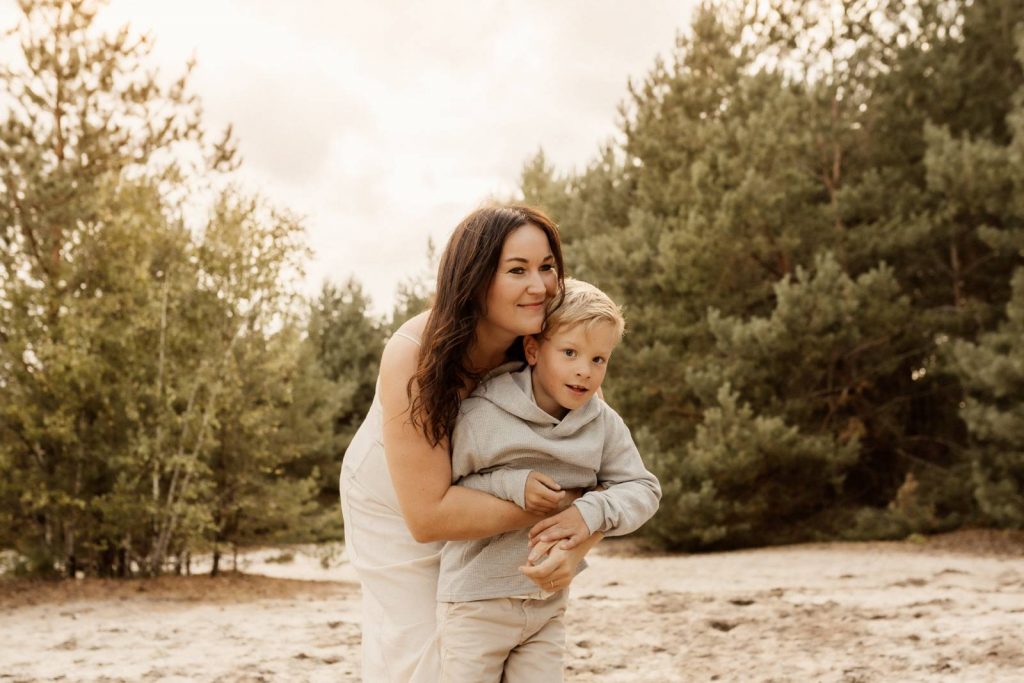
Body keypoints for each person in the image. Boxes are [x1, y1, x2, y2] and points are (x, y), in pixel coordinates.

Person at [339, 205, 602, 683]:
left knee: (499, 633)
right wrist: (560, 507)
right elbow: (428, 517)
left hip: (501, 487)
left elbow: (597, 469)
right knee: (426, 649)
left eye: (547, 267)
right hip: (396, 498)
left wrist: (579, 540)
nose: (540, 285)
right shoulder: (414, 354)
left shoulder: (557, 339)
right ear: (476, 278)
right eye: (517, 270)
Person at [429, 278, 661, 682]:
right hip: (475, 601)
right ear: (534, 350)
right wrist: (511, 486)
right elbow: (451, 493)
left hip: (547, 605)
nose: (584, 371)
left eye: (598, 360)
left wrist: (590, 512)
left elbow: (643, 489)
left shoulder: (602, 423)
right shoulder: (482, 415)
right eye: (570, 352)